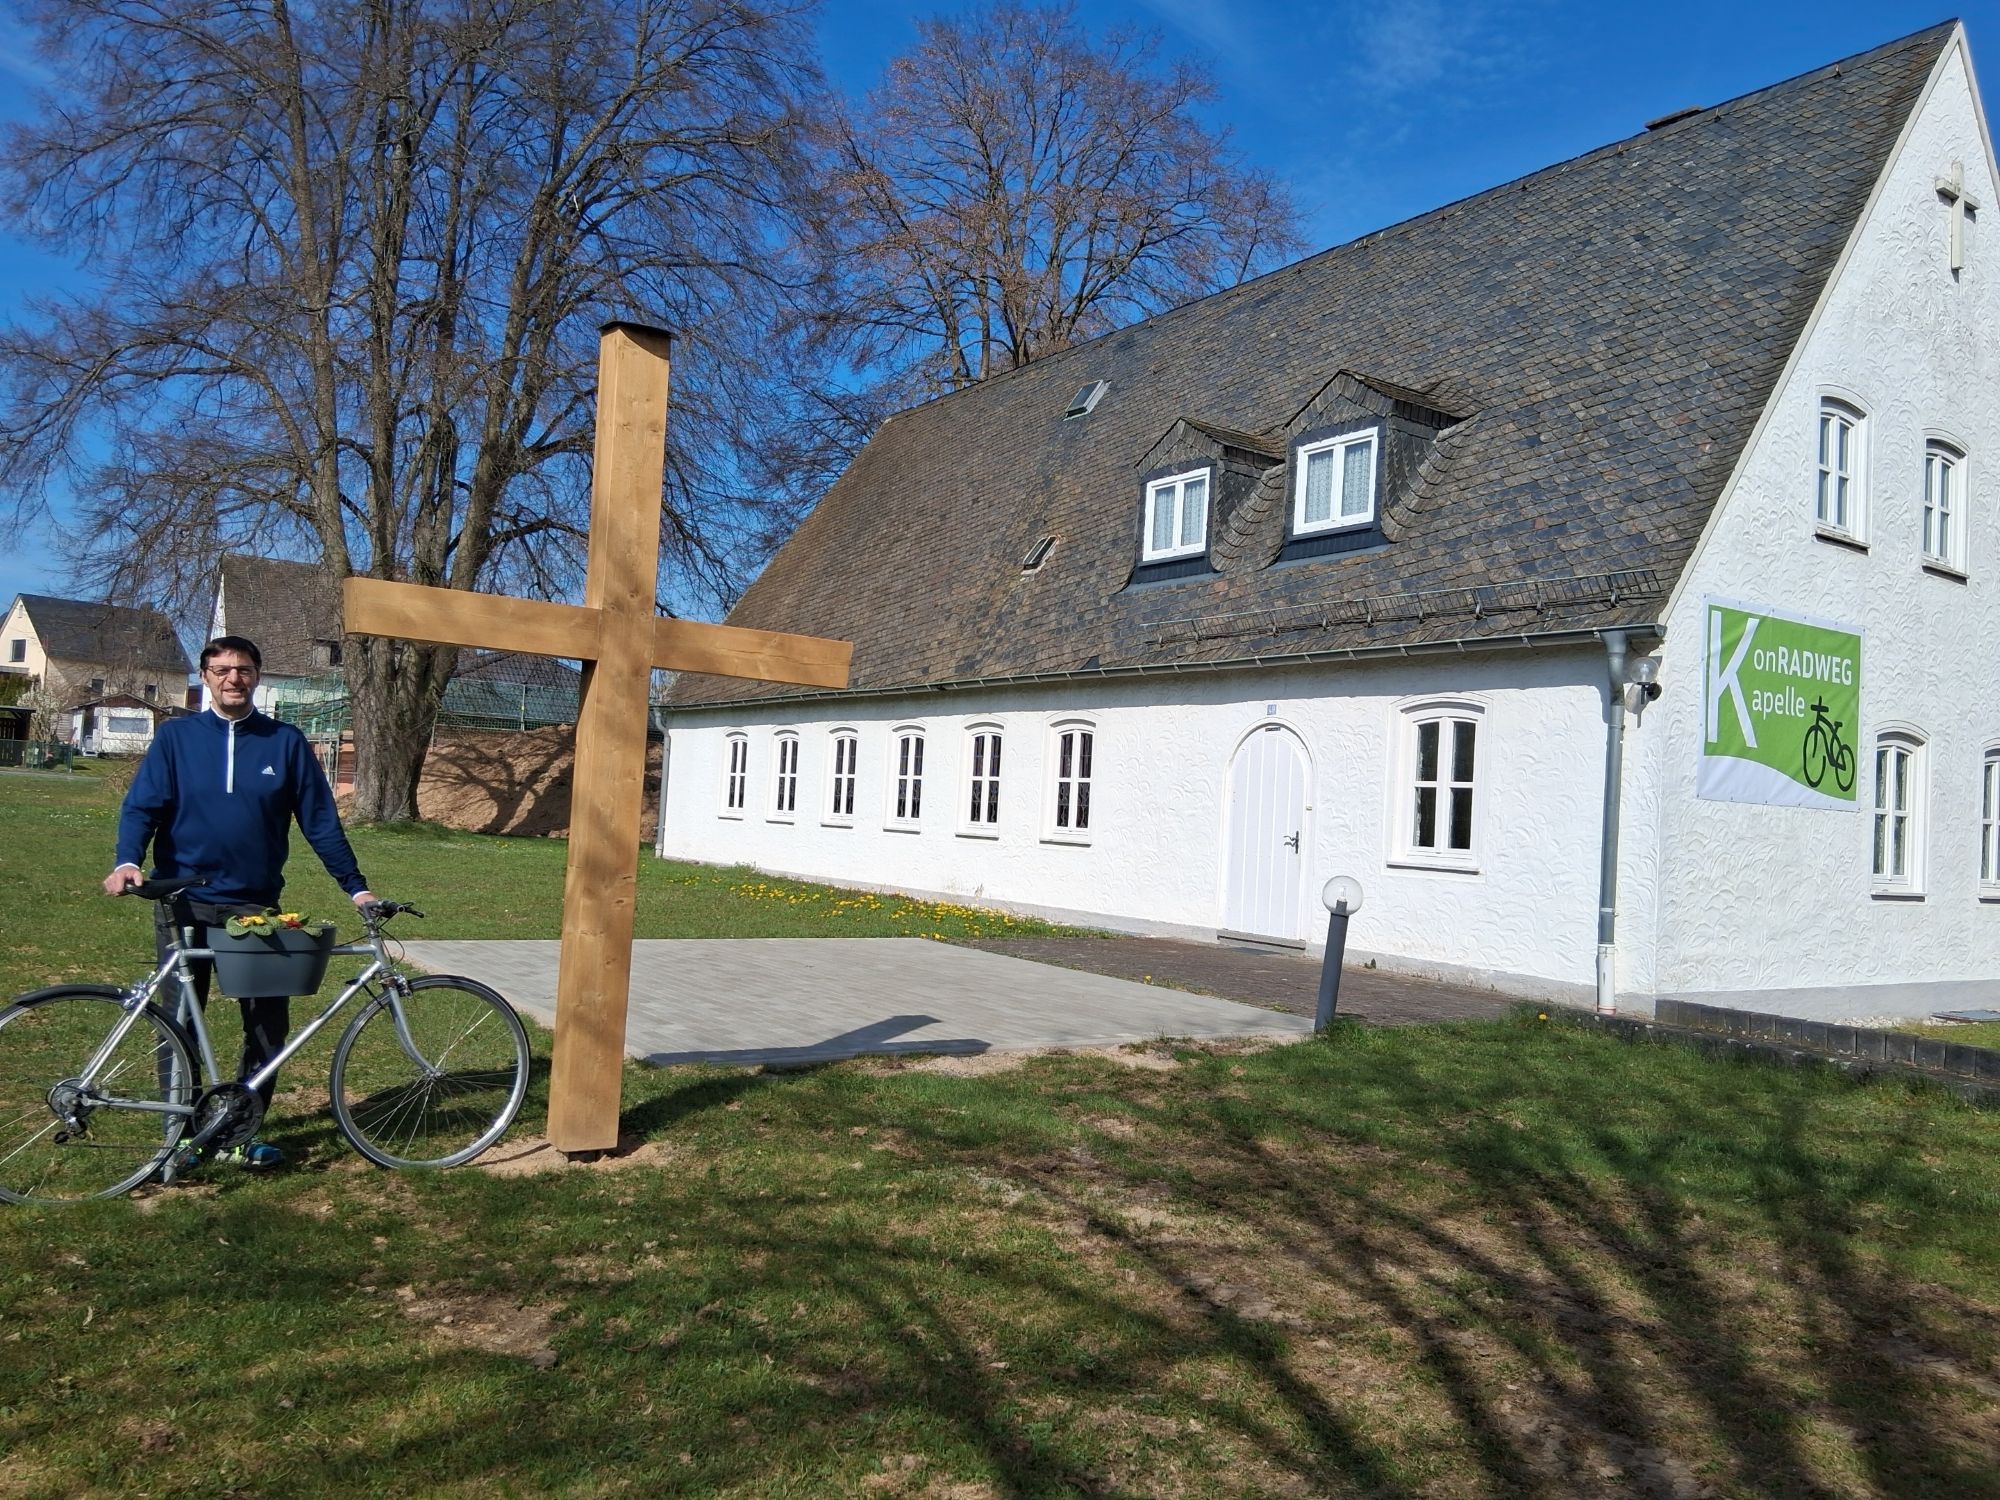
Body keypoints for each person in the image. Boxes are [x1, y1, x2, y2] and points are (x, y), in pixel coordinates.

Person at [104, 634, 376, 1171]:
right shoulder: (177, 739)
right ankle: (176, 1140)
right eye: (222, 669)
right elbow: (142, 807)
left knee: (266, 1023)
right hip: (183, 901)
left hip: (253, 907)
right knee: (180, 1020)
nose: (234, 678)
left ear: (257, 676)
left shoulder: (285, 742)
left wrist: (356, 885)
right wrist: (126, 860)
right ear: (205, 677)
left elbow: (321, 822)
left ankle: (233, 1133)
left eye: (244, 670)